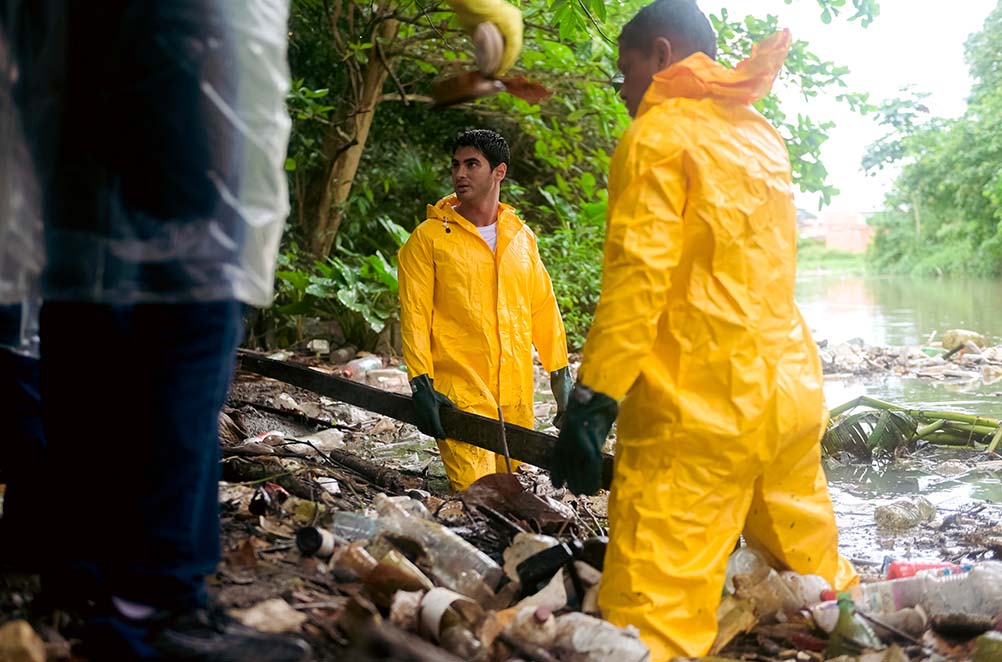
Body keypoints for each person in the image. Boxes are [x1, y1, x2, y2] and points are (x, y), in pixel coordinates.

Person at [549, 1, 859, 658]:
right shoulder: (760, 134)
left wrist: (593, 399)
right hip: (788, 396)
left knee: (651, 620)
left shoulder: (659, 135)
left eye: (625, 70)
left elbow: (638, 282)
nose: (623, 89)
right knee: (821, 586)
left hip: (699, 412)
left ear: (662, 54)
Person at [0, 1, 310, 659]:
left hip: (59, 64)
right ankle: (153, 605)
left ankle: (84, 575)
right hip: (176, 51)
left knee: (82, 292)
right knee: (188, 319)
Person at [398, 129, 571, 491]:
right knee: (475, 492)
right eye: (456, 165)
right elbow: (415, 315)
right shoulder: (427, 239)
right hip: (459, 395)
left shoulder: (521, 239)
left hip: (516, 395)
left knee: (511, 492)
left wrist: (561, 377)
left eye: (472, 164)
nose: (460, 173)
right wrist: (421, 384)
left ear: (499, 172)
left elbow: (543, 309)